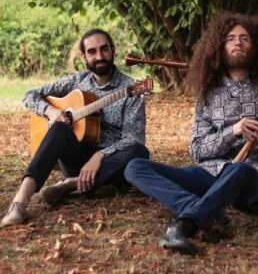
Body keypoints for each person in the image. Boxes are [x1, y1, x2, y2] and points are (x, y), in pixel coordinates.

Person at [124, 12, 258, 252]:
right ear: (219, 47)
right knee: (135, 167)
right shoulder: (208, 94)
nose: (237, 43)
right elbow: (197, 151)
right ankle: (198, 206)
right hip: (211, 174)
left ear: (257, 46)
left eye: (245, 38)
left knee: (240, 169)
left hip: (252, 177)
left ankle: (185, 224)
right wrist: (233, 131)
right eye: (230, 38)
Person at [1, 29, 149, 228]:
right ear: (84, 56)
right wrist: (51, 112)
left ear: (113, 50)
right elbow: (30, 95)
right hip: (77, 159)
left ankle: (73, 184)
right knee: (60, 127)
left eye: (104, 49)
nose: (99, 56)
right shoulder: (77, 82)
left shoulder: (131, 88)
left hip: (111, 163)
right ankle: (19, 204)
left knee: (139, 151)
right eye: (92, 51)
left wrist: (100, 156)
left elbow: (133, 137)